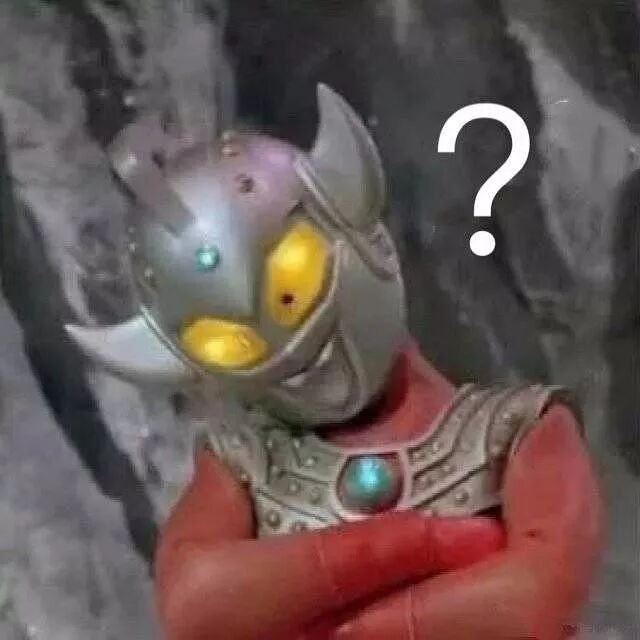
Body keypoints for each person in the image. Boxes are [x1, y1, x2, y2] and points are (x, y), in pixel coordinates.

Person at [67, 85, 603, 640]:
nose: (289, 347)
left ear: (367, 238)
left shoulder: (517, 430)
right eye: (229, 342)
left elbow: (533, 596)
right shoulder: (246, 462)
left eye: (291, 290)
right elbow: (195, 600)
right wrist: (416, 548)